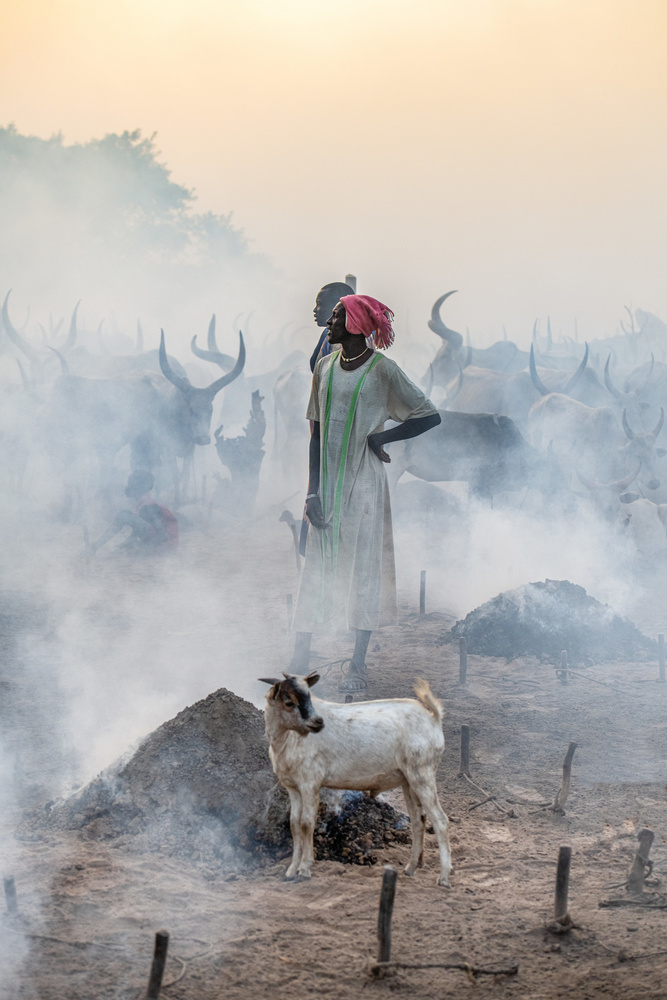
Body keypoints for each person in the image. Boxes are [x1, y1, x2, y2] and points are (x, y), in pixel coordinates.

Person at [291, 294, 441, 692]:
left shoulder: (383, 371)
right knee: (317, 567)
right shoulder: (323, 368)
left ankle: (357, 664)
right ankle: (300, 656)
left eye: (338, 316)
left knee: (364, 570)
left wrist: (382, 437)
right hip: (327, 484)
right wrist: (311, 494)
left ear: (357, 324)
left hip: (366, 485)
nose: (330, 322)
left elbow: (428, 414)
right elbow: (317, 434)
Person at [89, 470, 179, 556]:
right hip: (162, 544)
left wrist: (142, 552)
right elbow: (138, 532)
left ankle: (94, 547)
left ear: (141, 488)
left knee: (123, 515)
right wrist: (122, 546)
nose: (127, 488)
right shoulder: (143, 504)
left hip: (166, 546)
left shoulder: (148, 506)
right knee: (124, 516)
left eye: (131, 485)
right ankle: (94, 548)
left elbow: (161, 534)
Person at [310, 281, 356, 372]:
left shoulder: (350, 338)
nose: (315, 310)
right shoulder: (326, 333)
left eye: (320, 304)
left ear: (337, 306)